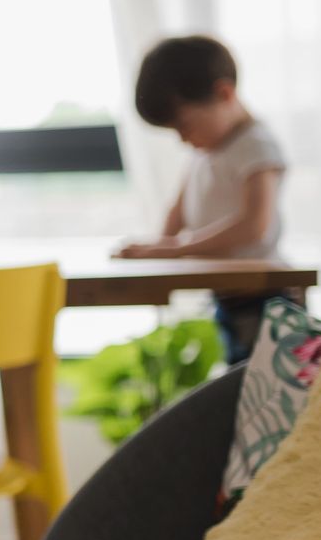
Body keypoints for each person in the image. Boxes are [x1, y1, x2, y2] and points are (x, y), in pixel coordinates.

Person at [116, 34, 290, 362]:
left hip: (265, 297)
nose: (184, 139)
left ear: (223, 93)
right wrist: (158, 245)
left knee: (260, 387)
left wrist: (177, 248)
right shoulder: (205, 151)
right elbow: (178, 208)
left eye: (184, 125)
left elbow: (255, 226)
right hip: (227, 296)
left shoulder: (255, 146)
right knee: (233, 384)